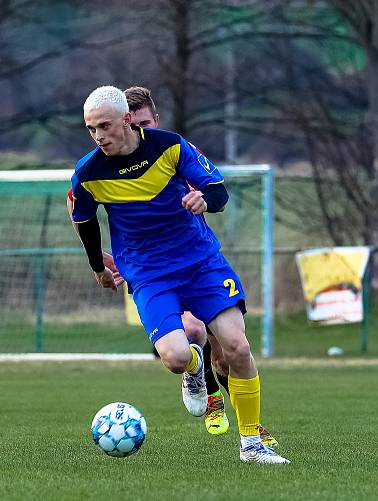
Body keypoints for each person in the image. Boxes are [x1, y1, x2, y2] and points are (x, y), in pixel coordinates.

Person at [71, 86, 289, 464]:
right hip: (149, 273)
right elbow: (84, 220)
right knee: (174, 356)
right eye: (91, 129)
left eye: (104, 126)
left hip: (200, 263)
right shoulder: (88, 171)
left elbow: (218, 191)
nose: (98, 135)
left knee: (237, 347)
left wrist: (204, 199)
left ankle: (251, 445)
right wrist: (98, 267)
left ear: (126, 120)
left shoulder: (170, 146)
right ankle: (195, 369)